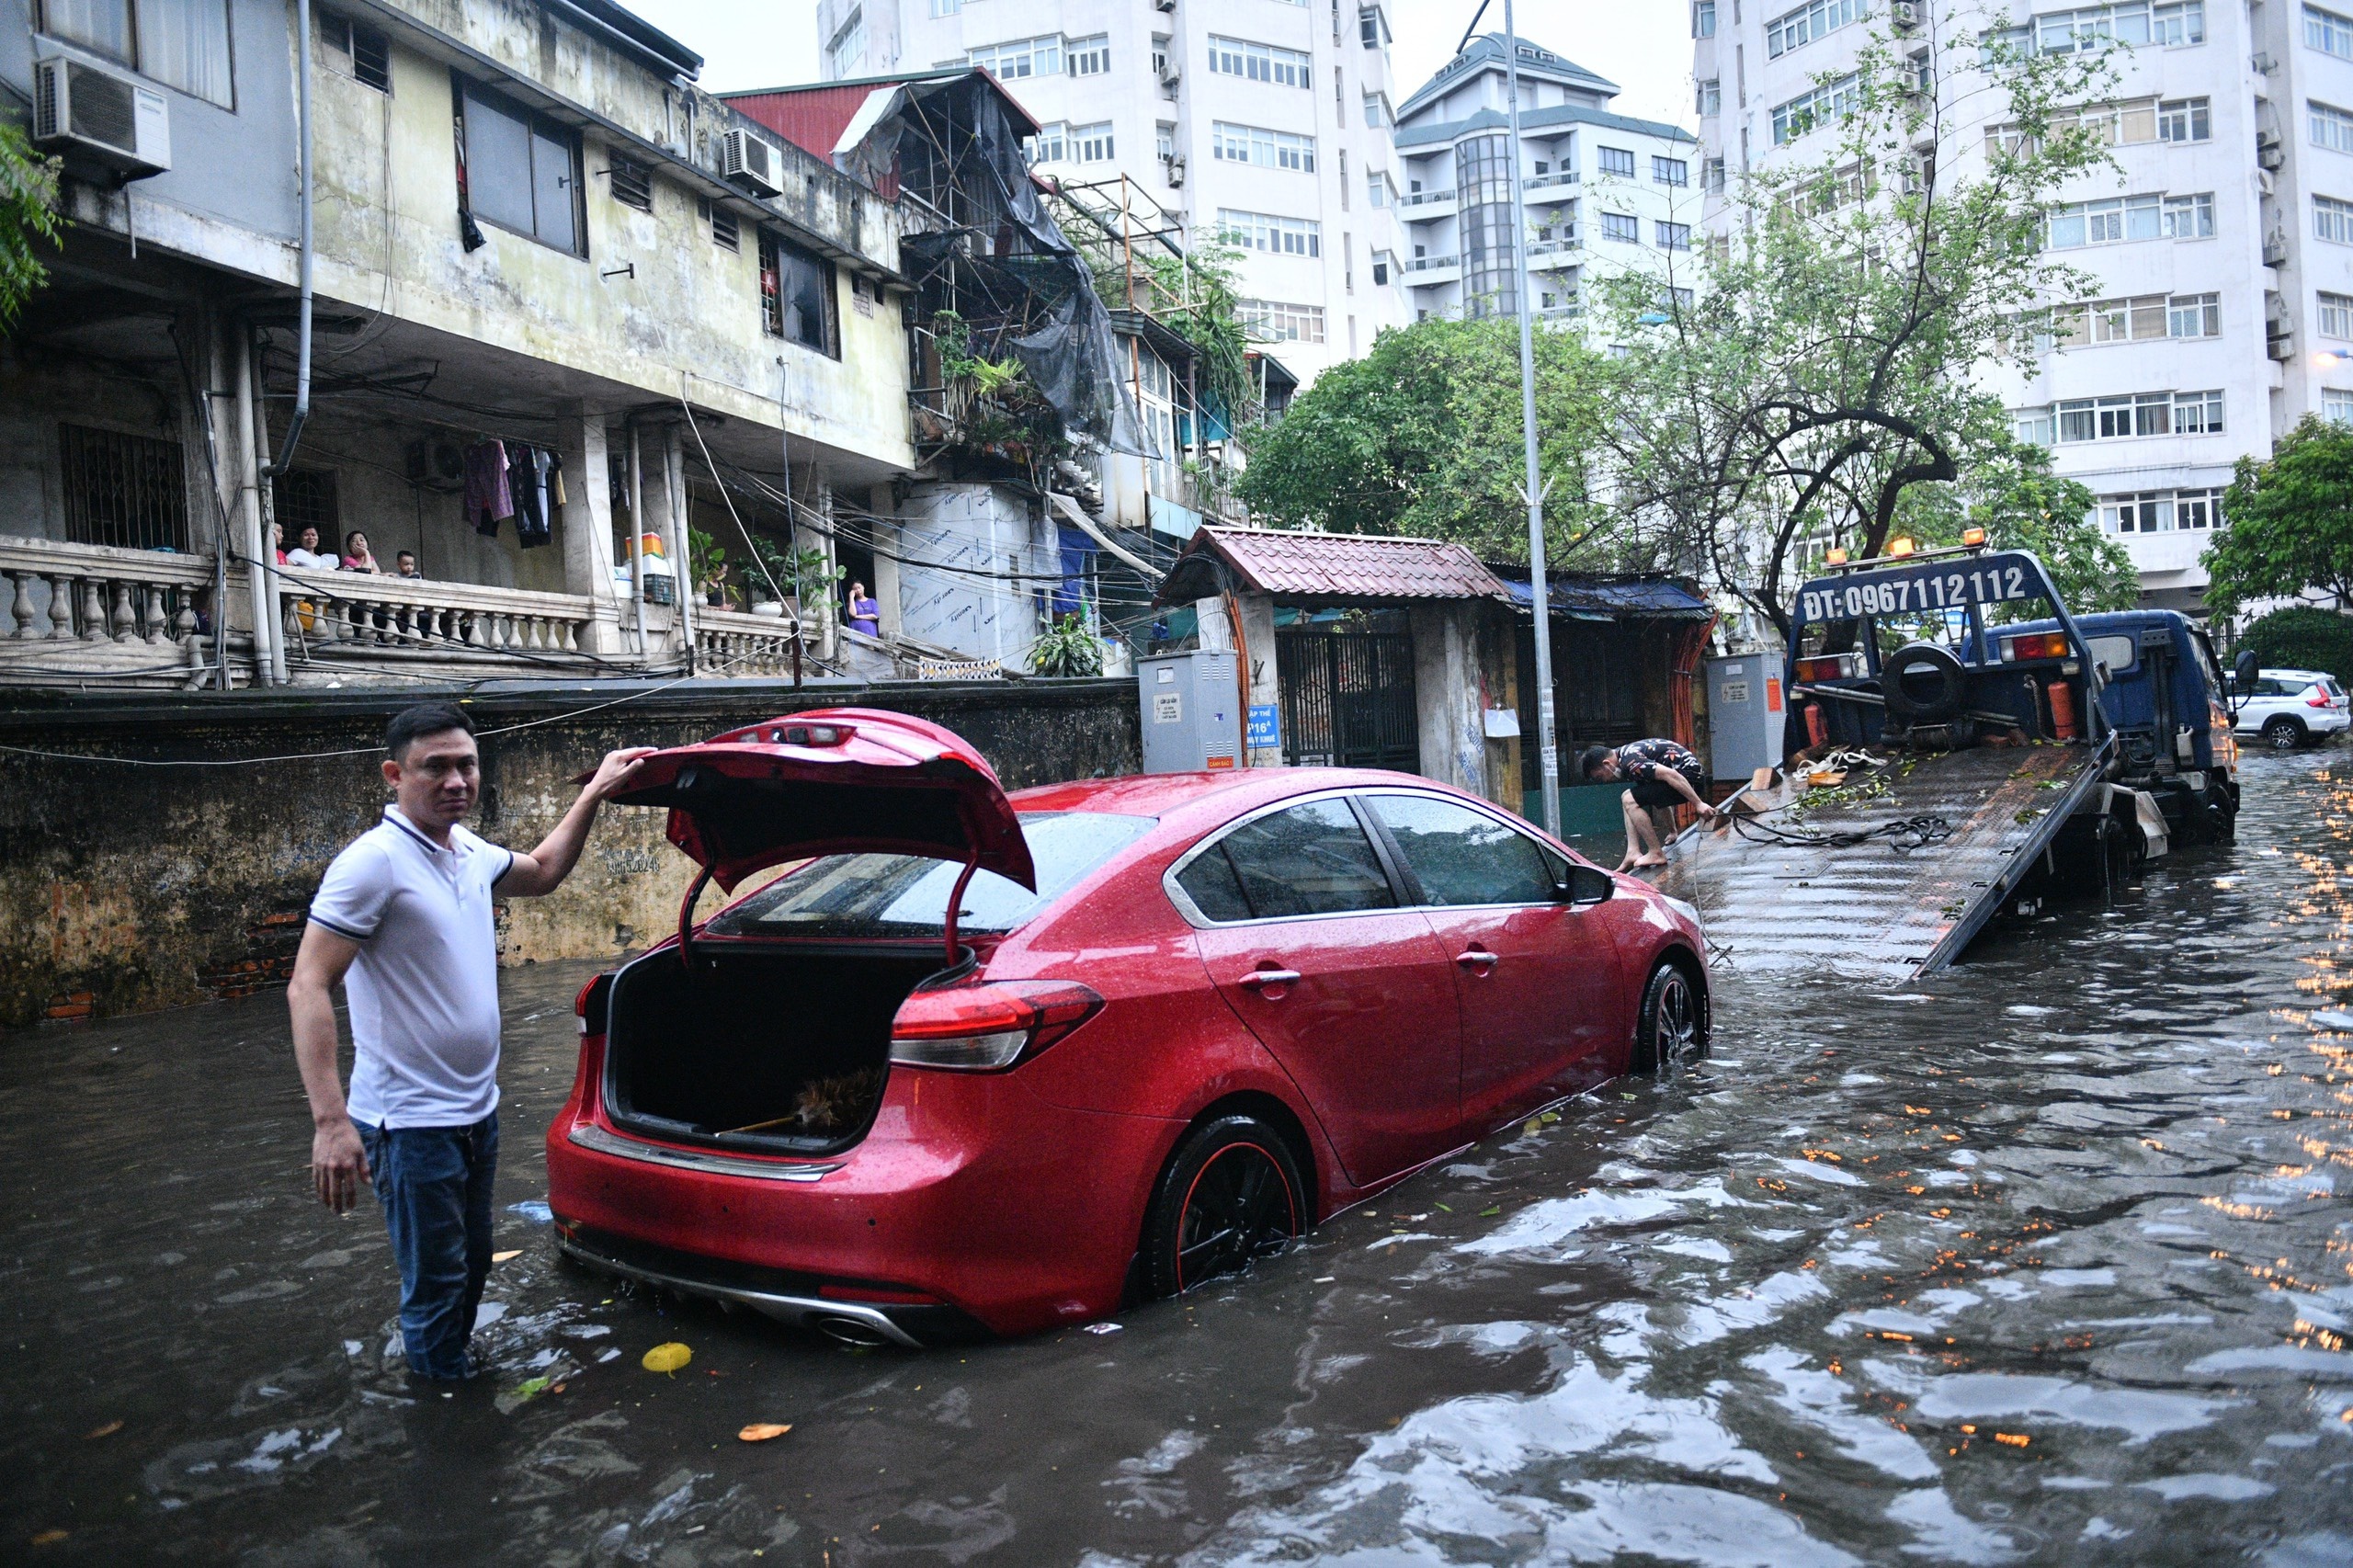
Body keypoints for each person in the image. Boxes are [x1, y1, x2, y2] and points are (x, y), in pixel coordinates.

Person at [289, 703, 653, 1382]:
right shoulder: (373, 864)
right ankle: (444, 1410)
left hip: (474, 1113)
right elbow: (307, 985)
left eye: (467, 765)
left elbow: (542, 871)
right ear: (394, 775)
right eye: (436, 768)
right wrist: (331, 1124)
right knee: (435, 1284)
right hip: (408, 1123)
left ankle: (455, 1378)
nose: (456, 781)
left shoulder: (467, 852)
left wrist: (595, 793)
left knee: (472, 1265)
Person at [1580, 738, 1716, 873]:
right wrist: (1673, 831)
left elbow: (1672, 775)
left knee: (1629, 799)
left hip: (1690, 779)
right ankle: (1633, 851)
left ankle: (1656, 853)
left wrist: (1698, 803)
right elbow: (1658, 797)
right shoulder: (1627, 757)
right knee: (1628, 797)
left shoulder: (1631, 761)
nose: (1604, 780)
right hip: (1688, 777)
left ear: (1606, 763)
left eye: (1600, 776)